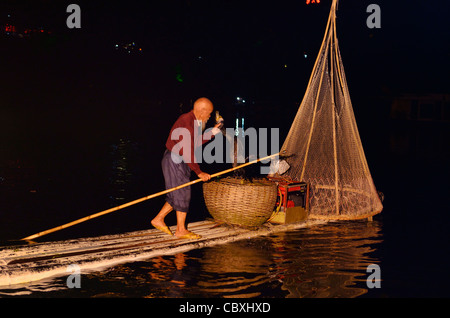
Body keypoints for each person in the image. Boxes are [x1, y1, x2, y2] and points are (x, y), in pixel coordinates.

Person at [151, 97, 223, 239]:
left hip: (180, 159)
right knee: (183, 192)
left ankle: (158, 219)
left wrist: (212, 133)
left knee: (177, 193)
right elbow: (187, 150)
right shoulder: (186, 122)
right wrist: (199, 172)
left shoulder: (193, 122)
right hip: (175, 159)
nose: (209, 117)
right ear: (202, 111)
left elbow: (194, 142)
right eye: (208, 113)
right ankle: (181, 230)